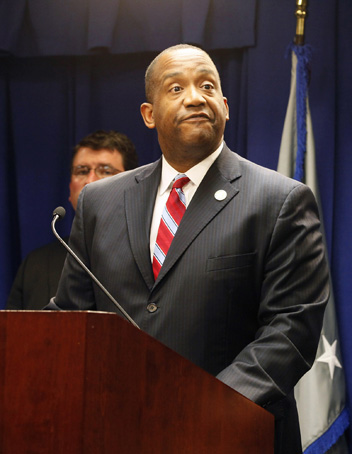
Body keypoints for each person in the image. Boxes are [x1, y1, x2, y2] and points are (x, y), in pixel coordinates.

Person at [50, 44, 329, 454]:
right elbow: (72, 322)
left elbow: (290, 331)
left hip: (229, 434)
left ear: (225, 106)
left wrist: (198, 410)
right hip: (116, 432)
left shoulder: (280, 201)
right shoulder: (99, 202)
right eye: (176, 88)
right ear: (149, 114)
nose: (195, 97)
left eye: (207, 86)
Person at [6, 130, 138, 310]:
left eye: (105, 171)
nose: (90, 181)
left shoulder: (151, 254)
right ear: (69, 188)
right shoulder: (36, 263)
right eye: (82, 171)